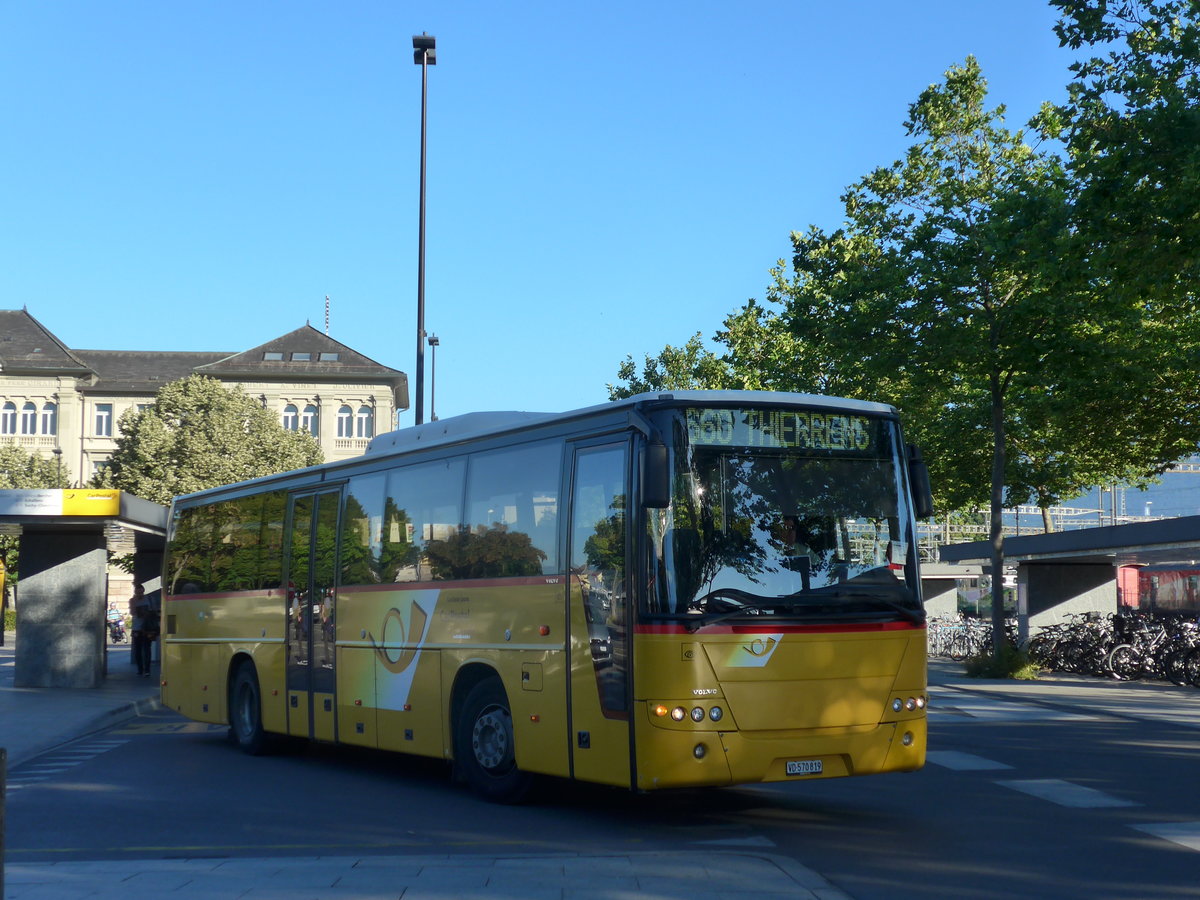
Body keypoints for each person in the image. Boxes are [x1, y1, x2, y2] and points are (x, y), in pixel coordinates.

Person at [129, 583, 154, 677]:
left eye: (141, 592)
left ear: (143, 591)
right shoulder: (132, 600)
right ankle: (140, 669)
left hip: (147, 628)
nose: (139, 594)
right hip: (137, 628)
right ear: (135, 592)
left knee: (147, 649)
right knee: (138, 650)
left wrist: (148, 612)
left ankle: (147, 669)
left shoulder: (149, 599)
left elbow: (153, 610)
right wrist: (136, 605)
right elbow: (132, 612)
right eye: (137, 592)